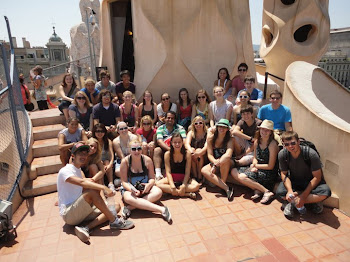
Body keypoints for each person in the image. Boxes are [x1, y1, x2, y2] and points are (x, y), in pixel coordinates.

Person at [57, 142, 134, 243]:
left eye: (85, 153)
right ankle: (114, 222)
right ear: (73, 156)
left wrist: (100, 195)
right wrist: (103, 187)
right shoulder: (65, 170)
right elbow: (83, 183)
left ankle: (86, 228)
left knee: (115, 206)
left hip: (80, 211)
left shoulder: (79, 171)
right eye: (80, 153)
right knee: (91, 192)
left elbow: (88, 181)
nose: (83, 156)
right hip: (69, 214)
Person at [276, 131, 331, 218]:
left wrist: (303, 196)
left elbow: (317, 177)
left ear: (298, 142)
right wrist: (289, 190)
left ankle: (292, 203)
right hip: (295, 182)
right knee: (280, 193)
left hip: (311, 183)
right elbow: (283, 173)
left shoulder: (311, 154)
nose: (290, 146)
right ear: (283, 145)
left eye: (293, 143)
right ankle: (310, 202)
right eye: (287, 144)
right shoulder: (282, 154)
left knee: (325, 192)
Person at [120, 139, 172, 222]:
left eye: (139, 149)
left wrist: (148, 185)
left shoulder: (147, 160)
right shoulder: (125, 162)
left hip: (145, 188)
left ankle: (130, 207)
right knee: (128, 198)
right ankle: (162, 210)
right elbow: (124, 182)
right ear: (129, 150)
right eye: (133, 149)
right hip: (131, 189)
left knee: (158, 192)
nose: (137, 151)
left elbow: (152, 178)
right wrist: (132, 189)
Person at [231, 120, 278, 204]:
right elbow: (255, 157)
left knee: (242, 177)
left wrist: (256, 166)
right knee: (233, 171)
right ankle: (258, 189)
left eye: (267, 130)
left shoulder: (272, 144)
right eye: (262, 129)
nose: (264, 132)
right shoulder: (257, 141)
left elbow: (271, 166)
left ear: (271, 132)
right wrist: (254, 164)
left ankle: (266, 192)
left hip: (268, 172)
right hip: (257, 167)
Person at [157, 132, 200, 198]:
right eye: (175, 142)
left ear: (182, 142)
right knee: (157, 184)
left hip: (184, 178)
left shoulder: (187, 154)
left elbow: (187, 171)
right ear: (171, 143)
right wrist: (172, 185)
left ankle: (173, 192)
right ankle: (185, 194)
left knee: (196, 186)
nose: (177, 144)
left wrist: (184, 185)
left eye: (179, 142)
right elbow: (168, 172)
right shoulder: (167, 154)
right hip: (172, 178)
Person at [201, 119, 235, 201]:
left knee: (225, 160)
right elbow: (209, 154)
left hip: (227, 162)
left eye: (224, 127)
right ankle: (226, 188)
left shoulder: (230, 139)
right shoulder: (210, 138)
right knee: (204, 170)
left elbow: (228, 154)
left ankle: (222, 183)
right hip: (215, 161)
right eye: (220, 126)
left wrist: (215, 165)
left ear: (227, 129)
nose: (221, 128)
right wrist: (214, 162)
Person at [153, 111, 186, 180]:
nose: (170, 120)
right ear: (164, 119)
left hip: (178, 149)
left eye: (172, 118)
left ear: (174, 120)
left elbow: (184, 141)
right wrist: (169, 149)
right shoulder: (160, 128)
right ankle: (158, 174)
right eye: (168, 118)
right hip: (165, 148)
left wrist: (175, 149)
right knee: (157, 150)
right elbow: (159, 141)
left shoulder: (180, 128)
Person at [92, 124, 115, 191]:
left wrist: (110, 164)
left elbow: (111, 155)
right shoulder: (92, 141)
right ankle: (102, 185)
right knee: (101, 163)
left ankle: (111, 184)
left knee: (107, 162)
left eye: (102, 131)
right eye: (97, 131)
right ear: (94, 132)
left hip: (105, 161)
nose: (100, 133)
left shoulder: (108, 141)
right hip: (96, 161)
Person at [185, 116, 208, 183]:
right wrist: (192, 152)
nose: (198, 125)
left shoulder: (207, 133)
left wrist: (199, 153)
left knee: (198, 150)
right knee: (191, 150)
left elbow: (206, 146)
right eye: (196, 123)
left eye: (200, 123)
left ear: (203, 124)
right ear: (193, 125)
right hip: (194, 155)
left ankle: (199, 176)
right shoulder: (191, 133)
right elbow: (187, 144)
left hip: (204, 154)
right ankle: (195, 176)